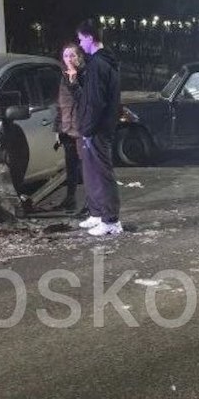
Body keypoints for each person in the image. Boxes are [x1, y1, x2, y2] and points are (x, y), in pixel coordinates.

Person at [69, 19, 123, 236]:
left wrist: (88, 128)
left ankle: (110, 220)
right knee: (92, 172)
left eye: (81, 39)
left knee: (101, 173)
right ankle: (99, 213)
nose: (80, 44)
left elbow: (95, 102)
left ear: (90, 38)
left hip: (97, 129)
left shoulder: (97, 65)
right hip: (98, 127)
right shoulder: (102, 63)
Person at [53, 42, 85, 212]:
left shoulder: (84, 75)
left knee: (86, 169)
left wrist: (74, 82)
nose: (69, 59)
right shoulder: (63, 77)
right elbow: (61, 105)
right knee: (71, 167)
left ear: (79, 57)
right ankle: (70, 198)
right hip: (67, 129)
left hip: (81, 130)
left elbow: (84, 101)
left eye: (72, 55)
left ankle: (91, 203)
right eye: (66, 56)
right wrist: (57, 129)